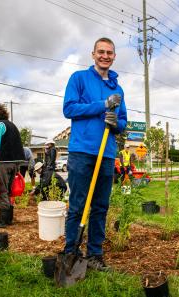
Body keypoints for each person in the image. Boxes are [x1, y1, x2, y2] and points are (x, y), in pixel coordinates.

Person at [62, 37, 128, 271]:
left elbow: (123, 122)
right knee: (78, 204)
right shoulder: (78, 79)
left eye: (109, 53)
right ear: (93, 54)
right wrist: (102, 105)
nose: (105, 56)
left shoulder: (118, 88)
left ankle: (95, 255)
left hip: (107, 153)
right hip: (82, 151)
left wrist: (115, 123)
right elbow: (69, 109)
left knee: (101, 206)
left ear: (114, 56)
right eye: (101, 52)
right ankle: (70, 252)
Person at [0, 104, 25, 228]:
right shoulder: (12, 126)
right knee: (9, 191)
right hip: (14, 163)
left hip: (3, 162)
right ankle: (9, 220)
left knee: (2, 190)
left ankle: (2, 221)